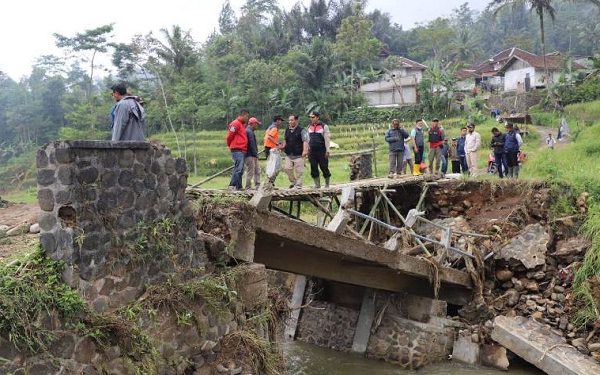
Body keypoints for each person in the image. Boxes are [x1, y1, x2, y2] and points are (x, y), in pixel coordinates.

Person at [282, 114, 309, 189]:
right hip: (289, 154)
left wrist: (305, 151)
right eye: (289, 120)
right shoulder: (287, 130)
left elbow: (305, 141)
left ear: (296, 120)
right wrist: (282, 146)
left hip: (299, 154)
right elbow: (285, 140)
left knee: (299, 171)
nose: (290, 122)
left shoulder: (302, 130)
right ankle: (294, 182)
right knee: (287, 168)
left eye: (292, 120)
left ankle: (298, 185)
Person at [226, 109, 250, 190]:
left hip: (241, 149)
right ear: (242, 115)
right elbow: (230, 136)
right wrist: (230, 145)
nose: (247, 118)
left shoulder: (241, 125)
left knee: (240, 168)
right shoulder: (235, 123)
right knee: (238, 168)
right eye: (247, 116)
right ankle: (233, 185)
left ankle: (238, 186)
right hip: (237, 149)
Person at [307, 111, 331, 188]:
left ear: (317, 117)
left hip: (322, 151)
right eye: (310, 117)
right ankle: (317, 185)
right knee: (313, 167)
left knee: (324, 167)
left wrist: (327, 151)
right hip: (312, 151)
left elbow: (327, 139)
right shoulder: (309, 127)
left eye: (313, 117)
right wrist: (307, 149)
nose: (311, 119)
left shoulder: (324, 126)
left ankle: (327, 184)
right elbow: (307, 139)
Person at [244, 117, 262, 190]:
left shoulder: (249, 131)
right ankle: (248, 187)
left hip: (252, 154)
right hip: (250, 155)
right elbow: (252, 144)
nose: (257, 126)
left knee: (257, 170)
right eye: (256, 124)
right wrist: (255, 154)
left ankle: (258, 185)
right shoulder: (249, 132)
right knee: (251, 171)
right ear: (253, 124)